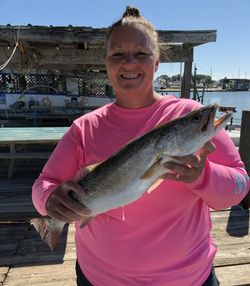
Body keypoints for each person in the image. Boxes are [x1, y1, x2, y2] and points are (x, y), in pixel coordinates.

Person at [32, 6, 249, 286]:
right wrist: (50, 200)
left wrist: (203, 177)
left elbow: (239, 188)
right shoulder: (84, 128)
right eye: (118, 54)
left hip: (188, 279)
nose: (129, 63)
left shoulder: (191, 115)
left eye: (141, 54)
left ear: (156, 62)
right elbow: (43, 184)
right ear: (107, 62)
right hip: (99, 279)